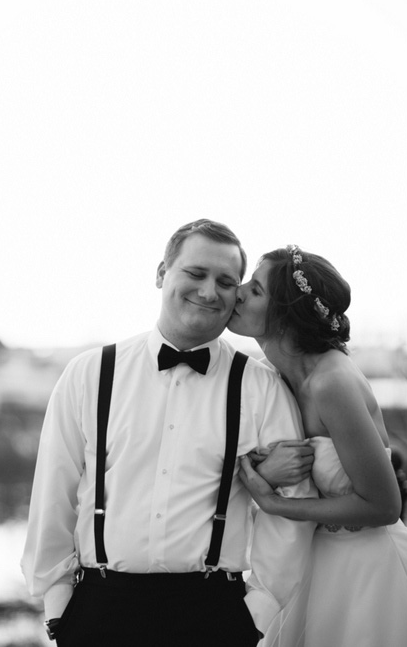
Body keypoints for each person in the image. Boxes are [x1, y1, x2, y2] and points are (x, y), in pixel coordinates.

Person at [21, 220, 317, 647]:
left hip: (216, 615)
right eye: (195, 274)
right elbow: (54, 490)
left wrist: (260, 609)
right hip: (97, 608)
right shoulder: (89, 373)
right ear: (162, 273)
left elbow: (292, 504)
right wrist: (56, 602)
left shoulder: (262, 387)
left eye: (226, 281)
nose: (209, 291)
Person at [228, 244, 407, 647]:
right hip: (310, 563)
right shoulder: (270, 378)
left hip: (366, 574)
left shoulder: (331, 383)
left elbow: (384, 506)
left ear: (287, 314)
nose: (237, 292)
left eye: (255, 290)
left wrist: (277, 504)